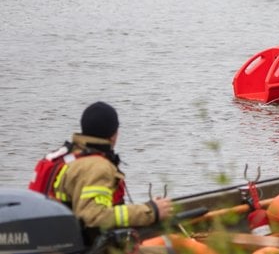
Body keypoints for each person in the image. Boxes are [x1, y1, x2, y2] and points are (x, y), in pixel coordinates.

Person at [29, 102, 172, 243]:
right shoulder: (97, 167)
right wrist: (151, 211)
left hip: (53, 242)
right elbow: (94, 217)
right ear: (113, 135)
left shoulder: (64, 158)